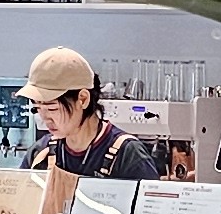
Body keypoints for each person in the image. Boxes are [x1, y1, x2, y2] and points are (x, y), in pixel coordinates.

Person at [18, 46, 172, 181]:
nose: (45, 118)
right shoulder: (40, 153)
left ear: (83, 99)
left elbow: (152, 204)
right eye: (37, 108)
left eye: (52, 108)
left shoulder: (128, 155)